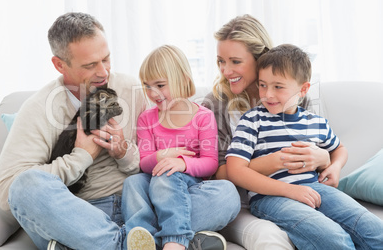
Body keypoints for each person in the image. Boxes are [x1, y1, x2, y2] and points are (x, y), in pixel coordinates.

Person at [0, 12, 152, 250]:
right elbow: (9, 191)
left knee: (224, 195)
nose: (103, 72)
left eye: (106, 59)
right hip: (79, 219)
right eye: (90, 65)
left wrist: (124, 152)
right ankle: (130, 243)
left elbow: (156, 160)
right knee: (25, 187)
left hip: (138, 206)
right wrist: (81, 157)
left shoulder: (131, 89)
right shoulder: (39, 108)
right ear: (60, 64)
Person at [202, 14, 340, 249]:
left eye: (235, 61)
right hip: (242, 204)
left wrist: (327, 160)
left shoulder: (291, 93)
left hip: (297, 192)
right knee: (270, 238)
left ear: (260, 59)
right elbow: (220, 175)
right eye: (220, 61)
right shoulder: (215, 105)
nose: (226, 70)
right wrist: (275, 161)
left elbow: (323, 144)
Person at [226, 43, 383, 249]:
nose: (268, 94)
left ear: (303, 89)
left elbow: (339, 149)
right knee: (333, 239)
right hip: (271, 197)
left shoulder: (315, 122)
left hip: (316, 189)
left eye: (278, 87)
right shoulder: (252, 120)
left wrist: (334, 167)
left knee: (374, 230)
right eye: (263, 85)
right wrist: (289, 190)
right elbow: (235, 170)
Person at [122, 45, 241, 250]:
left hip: (192, 187)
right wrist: (162, 156)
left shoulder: (202, 116)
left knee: (228, 192)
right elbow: (144, 163)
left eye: (160, 85)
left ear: (184, 80)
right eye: (147, 86)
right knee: (133, 183)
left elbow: (211, 163)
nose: (153, 93)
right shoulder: (147, 119)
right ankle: (168, 238)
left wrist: (182, 164)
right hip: (155, 186)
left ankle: (163, 238)